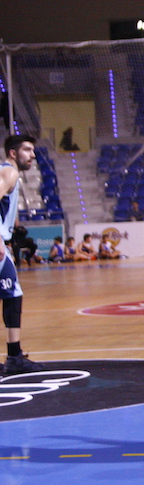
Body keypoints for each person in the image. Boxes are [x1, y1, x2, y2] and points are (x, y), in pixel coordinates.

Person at [0, 134, 45, 375]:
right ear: (13, 153)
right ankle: (14, 357)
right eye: (27, 150)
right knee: (12, 294)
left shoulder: (10, 175)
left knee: (12, 293)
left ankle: (14, 355)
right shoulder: (9, 172)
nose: (32, 154)